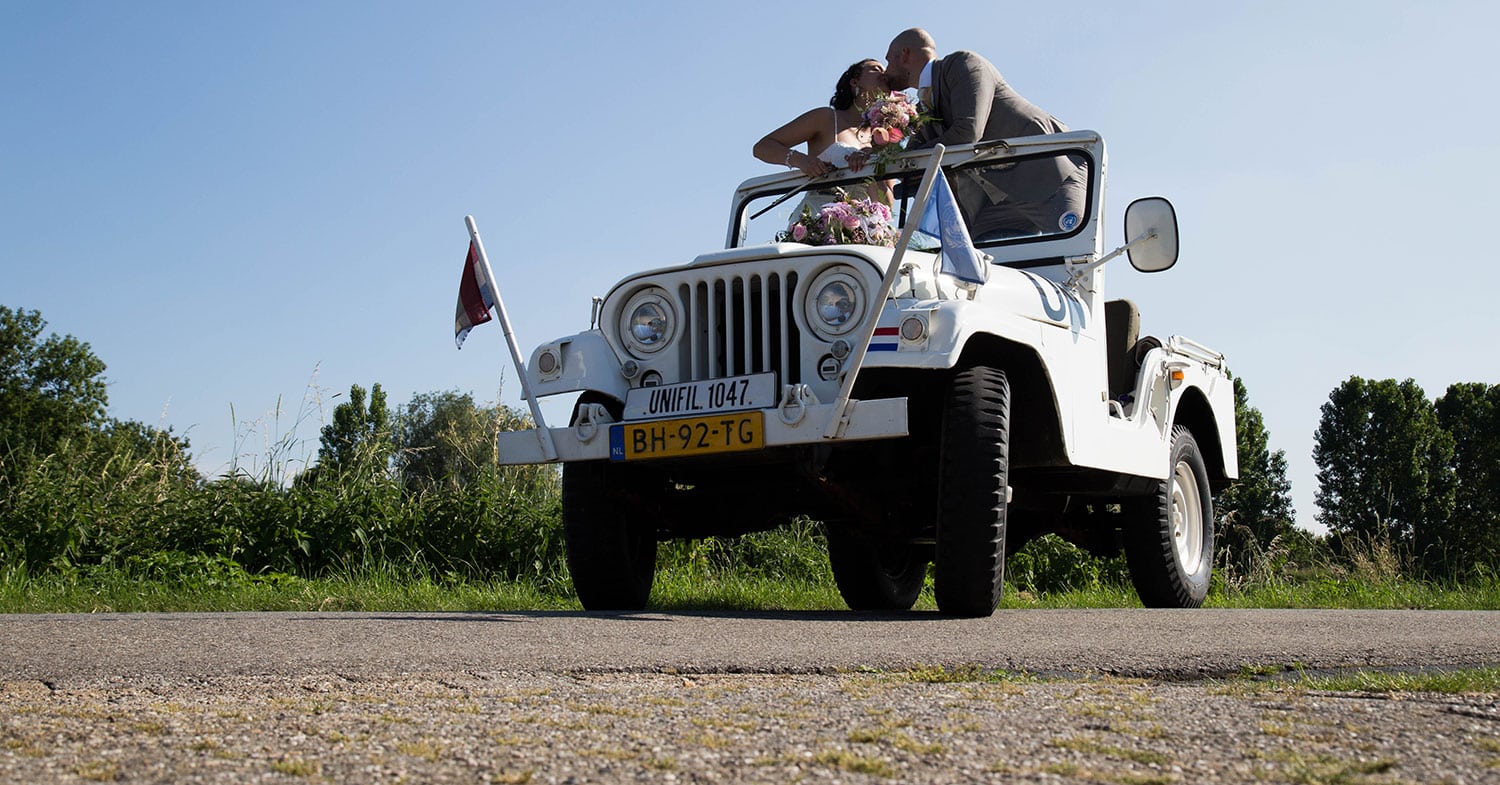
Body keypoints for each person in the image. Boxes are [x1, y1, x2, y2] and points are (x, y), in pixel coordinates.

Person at [883, 28, 1087, 240]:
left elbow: (968, 131)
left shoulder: (963, 64)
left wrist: (920, 156)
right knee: (981, 266)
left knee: (1070, 256)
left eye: (888, 62)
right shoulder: (923, 106)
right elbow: (910, 162)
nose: (885, 72)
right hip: (997, 200)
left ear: (904, 54)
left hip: (1049, 174)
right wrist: (881, 134)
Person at [753, 59, 893, 204]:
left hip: (864, 223)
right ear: (854, 82)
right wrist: (802, 161)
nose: (884, 74)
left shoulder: (884, 139)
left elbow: (887, 205)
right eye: (876, 68)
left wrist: (870, 164)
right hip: (819, 217)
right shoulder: (826, 118)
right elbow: (762, 147)